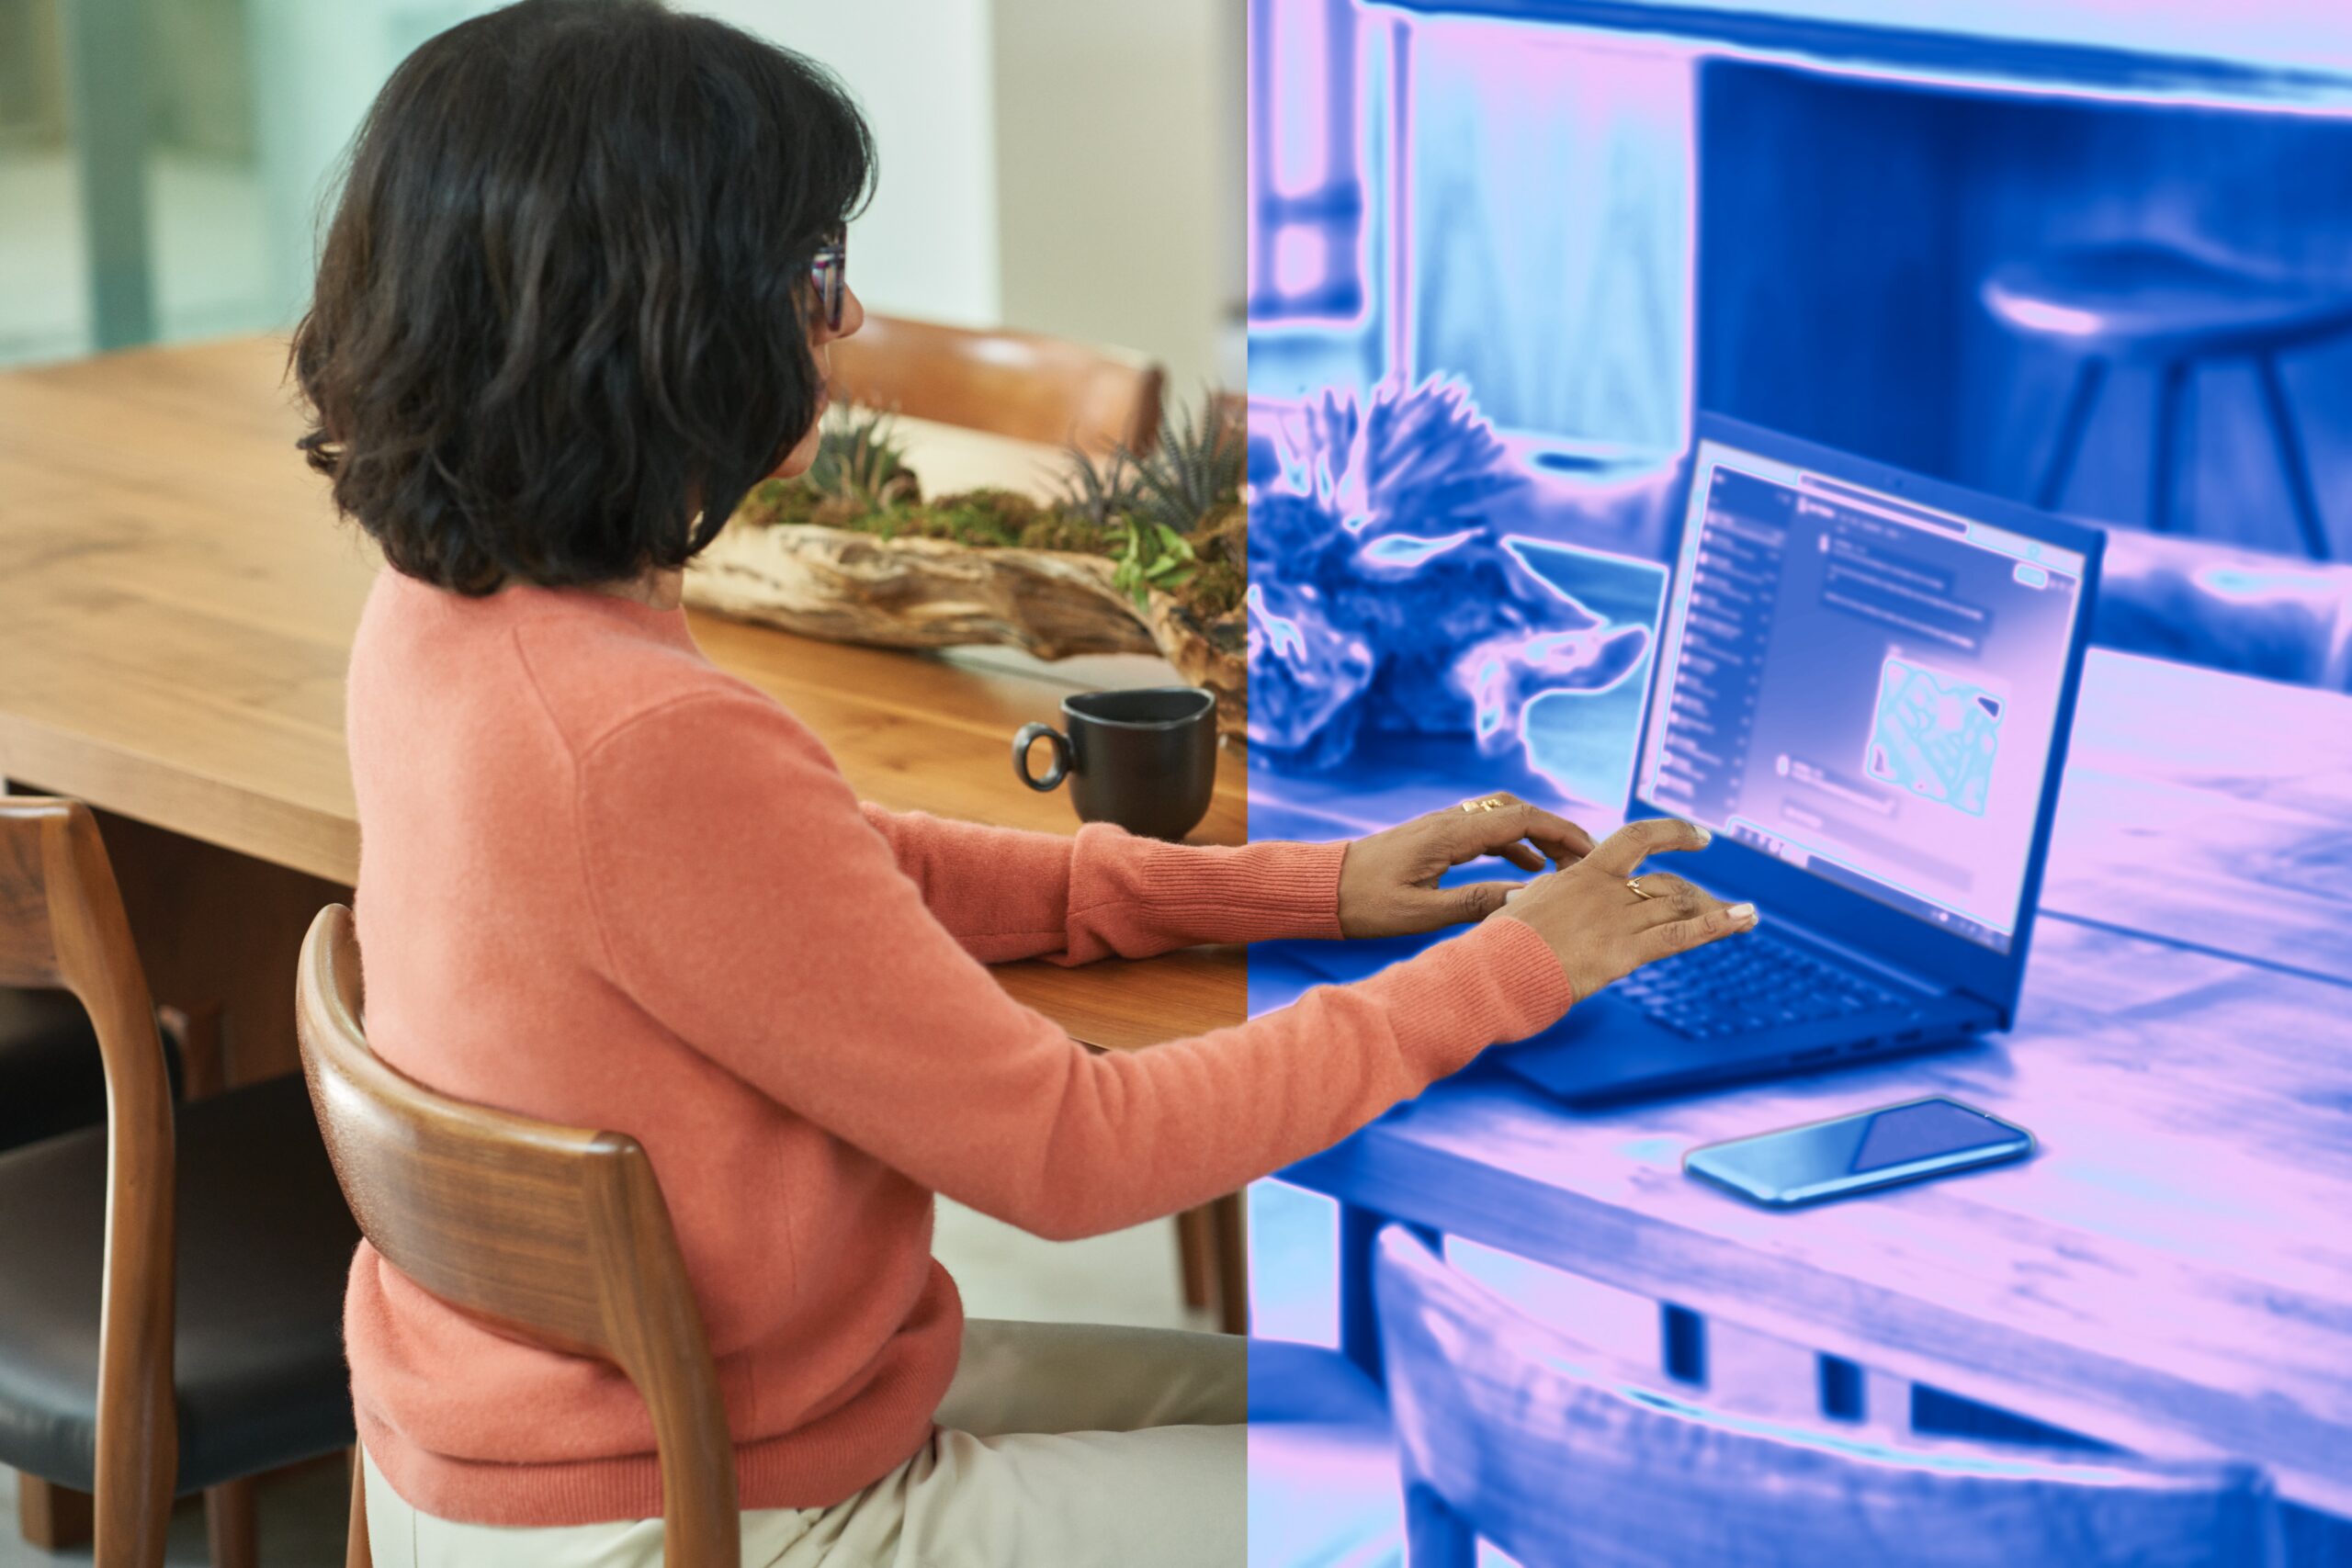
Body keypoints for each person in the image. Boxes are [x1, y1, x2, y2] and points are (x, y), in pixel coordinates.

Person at [293, 2, 1757, 1562]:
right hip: (702, 1503)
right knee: (1429, 1480)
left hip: (606, 1423)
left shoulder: (445, 615)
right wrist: (1516, 966)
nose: (841, 324)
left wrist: (1305, 887)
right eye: (810, 274)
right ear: (657, 322)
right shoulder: (642, 744)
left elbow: (832, 878)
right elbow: (1076, 1155)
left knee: (1355, 1408)